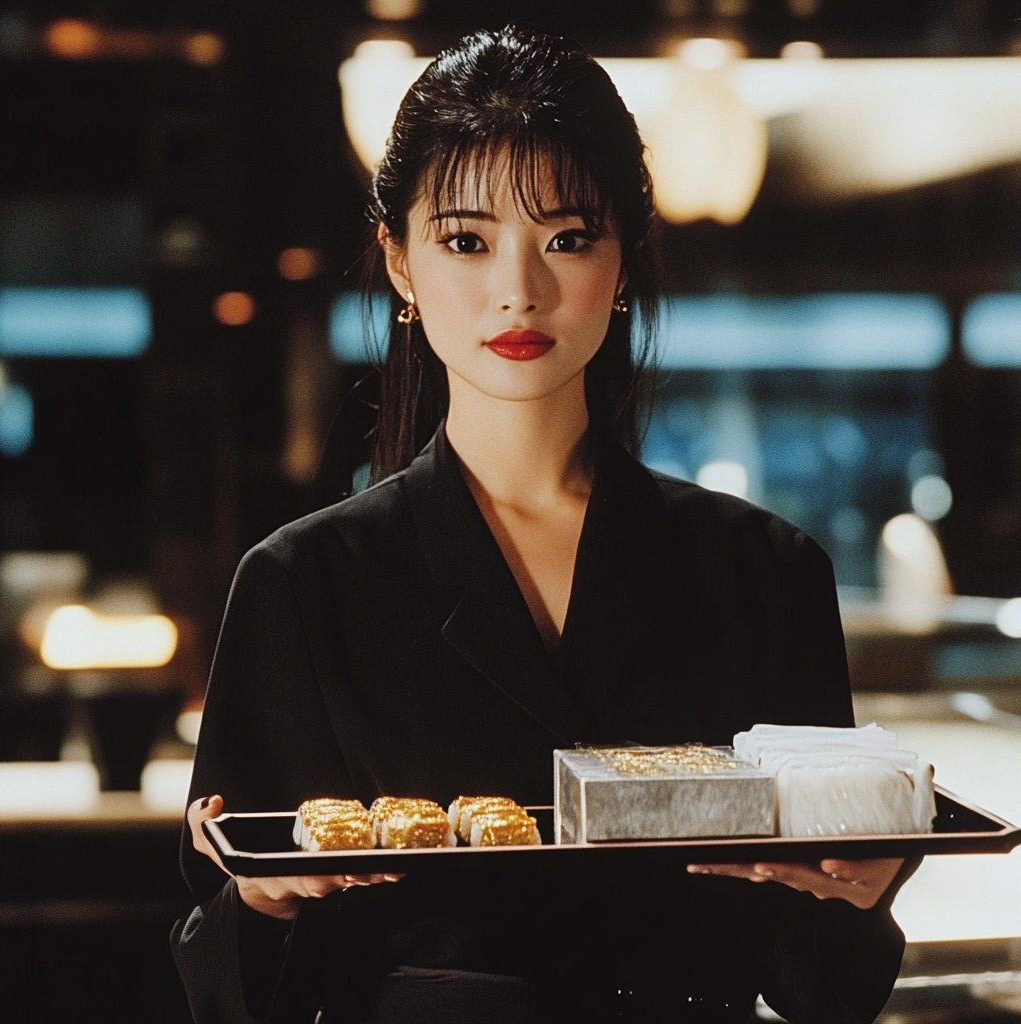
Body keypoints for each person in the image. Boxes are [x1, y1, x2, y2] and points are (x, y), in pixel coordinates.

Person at [173, 25, 916, 1024]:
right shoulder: (306, 581)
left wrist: (859, 895)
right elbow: (223, 992)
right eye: (465, 241)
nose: (517, 289)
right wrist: (256, 899)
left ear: (622, 261)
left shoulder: (763, 570)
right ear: (398, 262)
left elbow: (824, 990)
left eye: (566, 237)